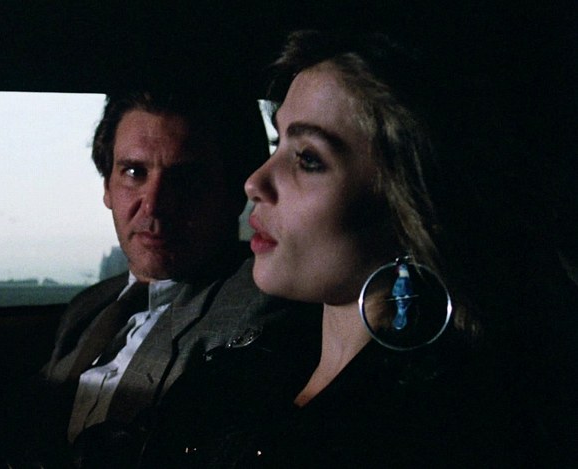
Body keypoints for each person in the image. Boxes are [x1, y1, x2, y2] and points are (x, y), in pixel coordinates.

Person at [137, 30, 578, 467]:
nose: (255, 182)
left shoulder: (454, 427)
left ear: (409, 204)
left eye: (308, 158)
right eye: (278, 143)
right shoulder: (239, 368)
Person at [0, 89, 300, 467]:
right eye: (134, 172)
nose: (154, 204)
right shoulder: (89, 307)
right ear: (107, 187)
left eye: (186, 178)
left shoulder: (261, 303)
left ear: (234, 192)